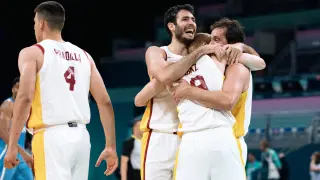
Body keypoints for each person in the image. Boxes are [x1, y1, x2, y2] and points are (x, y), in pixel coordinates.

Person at [4, 1, 118, 180]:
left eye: (35, 23)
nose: (34, 27)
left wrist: (12, 146)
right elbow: (104, 102)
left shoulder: (33, 53)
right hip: (81, 137)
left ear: (41, 23)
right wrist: (110, 146)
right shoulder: (85, 56)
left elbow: (25, 98)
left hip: (51, 138)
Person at [136, 32, 264, 179]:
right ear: (208, 46)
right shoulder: (218, 57)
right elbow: (260, 64)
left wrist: (168, 85)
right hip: (221, 133)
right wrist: (238, 47)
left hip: (190, 139)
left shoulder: (175, 72)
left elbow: (138, 100)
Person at [135, 4, 237, 180]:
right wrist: (202, 51)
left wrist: (240, 47)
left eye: (193, 19)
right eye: (185, 19)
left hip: (190, 137)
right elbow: (164, 77)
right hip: (160, 136)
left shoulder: (203, 57)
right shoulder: (159, 53)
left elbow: (255, 60)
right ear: (171, 26)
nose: (191, 23)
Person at [172, 18, 265, 166]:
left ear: (230, 45)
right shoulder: (208, 64)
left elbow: (227, 101)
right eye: (210, 40)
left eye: (216, 39)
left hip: (230, 141)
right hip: (201, 139)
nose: (210, 45)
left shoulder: (237, 66)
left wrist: (188, 91)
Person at [0, 77, 33, 180]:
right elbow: (2, 132)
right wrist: (23, 152)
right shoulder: (8, 105)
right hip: (7, 151)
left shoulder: (24, 107)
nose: (19, 91)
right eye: (17, 87)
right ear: (13, 89)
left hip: (20, 153)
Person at [121, 116, 143, 180]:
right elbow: (124, 162)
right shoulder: (129, 142)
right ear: (135, 126)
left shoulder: (148, 142)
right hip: (135, 175)